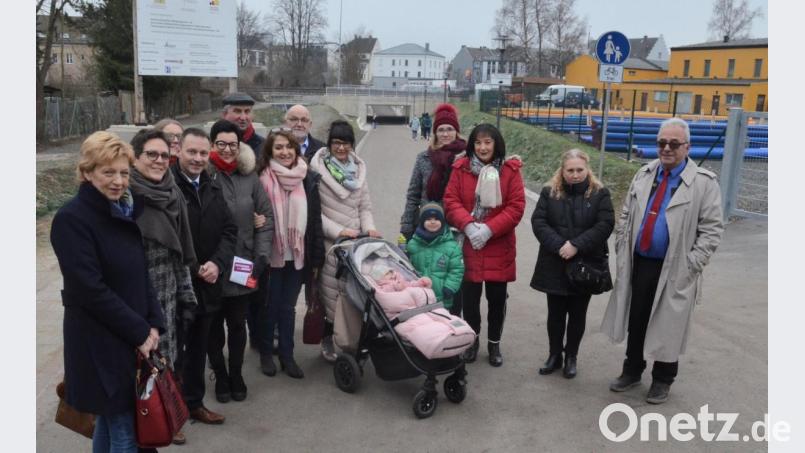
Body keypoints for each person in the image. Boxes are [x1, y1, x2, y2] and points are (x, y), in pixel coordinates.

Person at [51, 131, 165, 453]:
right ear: (87, 173)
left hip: (127, 337)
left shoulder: (122, 211)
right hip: (98, 343)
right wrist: (139, 331)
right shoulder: (72, 219)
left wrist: (154, 322)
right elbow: (90, 289)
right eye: (108, 172)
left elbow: (141, 274)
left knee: (110, 422)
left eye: (124, 173)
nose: (118, 181)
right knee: (126, 431)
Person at [601, 117, 723, 404]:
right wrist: (622, 243)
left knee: (669, 324)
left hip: (676, 267)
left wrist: (691, 265)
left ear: (687, 146)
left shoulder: (703, 184)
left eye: (674, 144)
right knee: (637, 318)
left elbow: (712, 229)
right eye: (662, 143)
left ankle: (663, 379)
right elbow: (627, 212)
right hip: (641, 262)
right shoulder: (645, 174)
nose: (666, 148)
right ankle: (632, 370)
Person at [443, 123, 525, 367]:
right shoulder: (461, 168)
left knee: (497, 300)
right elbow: (451, 200)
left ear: (496, 144)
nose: (482, 147)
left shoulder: (509, 170)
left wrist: (489, 229)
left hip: (499, 245)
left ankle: (494, 344)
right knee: (470, 300)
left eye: (488, 142)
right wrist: (468, 225)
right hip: (469, 244)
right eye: (478, 143)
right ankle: (473, 341)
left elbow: (516, 207)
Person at [172, 128, 237, 429]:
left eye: (202, 153)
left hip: (208, 286)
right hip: (176, 288)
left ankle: (194, 404)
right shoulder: (168, 185)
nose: (197, 159)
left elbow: (229, 231)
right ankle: (169, 414)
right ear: (179, 152)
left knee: (198, 351)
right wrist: (195, 265)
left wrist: (217, 263)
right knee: (173, 354)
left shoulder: (212, 187)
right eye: (191, 152)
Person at [530, 149, 614, 379]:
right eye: (570, 170)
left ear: (587, 169)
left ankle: (572, 357)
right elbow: (539, 222)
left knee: (578, 315)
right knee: (555, 314)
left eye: (580, 170)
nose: (575, 174)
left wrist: (576, 245)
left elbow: (605, 224)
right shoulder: (550, 193)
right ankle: (554, 355)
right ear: (562, 170)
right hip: (554, 263)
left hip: (585, 263)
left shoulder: (600, 193)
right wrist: (559, 245)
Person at [206, 119, 274, 403]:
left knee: (237, 324)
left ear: (240, 146)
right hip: (210, 267)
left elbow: (266, 218)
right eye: (221, 144)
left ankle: (236, 374)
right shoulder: (204, 176)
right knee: (212, 327)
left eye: (233, 145)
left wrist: (261, 255)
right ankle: (220, 374)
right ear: (212, 145)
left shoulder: (250, 177)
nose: (227, 150)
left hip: (242, 265)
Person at [256, 128, 325, 378]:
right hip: (271, 255)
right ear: (270, 151)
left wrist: (316, 258)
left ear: (296, 150)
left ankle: (287, 355)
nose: (284, 152)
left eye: (289, 147)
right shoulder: (261, 178)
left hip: (297, 254)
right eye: (278, 148)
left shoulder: (306, 178)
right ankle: (266, 352)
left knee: (288, 308)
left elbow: (315, 220)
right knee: (270, 307)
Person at [309, 120, 380, 362]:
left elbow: (366, 207)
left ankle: (352, 338)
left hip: (357, 242)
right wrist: (340, 231)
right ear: (329, 144)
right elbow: (314, 213)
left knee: (355, 294)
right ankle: (328, 338)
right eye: (336, 143)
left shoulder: (359, 172)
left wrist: (369, 228)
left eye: (346, 143)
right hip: (331, 242)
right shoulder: (317, 171)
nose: (341, 148)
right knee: (330, 293)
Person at [406, 202, 464, 311]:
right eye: (428, 219)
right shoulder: (413, 244)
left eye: (436, 219)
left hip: (442, 299)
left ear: (442, 222)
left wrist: (449, 287)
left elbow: (457, 270)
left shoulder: (452, 246)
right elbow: (407, 268)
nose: (433, 222)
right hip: (418, 298)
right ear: (422, 222)